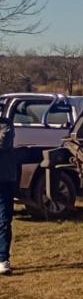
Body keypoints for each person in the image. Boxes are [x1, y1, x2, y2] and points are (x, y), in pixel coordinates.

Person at [0, 109, 15, 276]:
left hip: (4, 180)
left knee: (3, 220)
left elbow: (3, 143)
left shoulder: (6, 125)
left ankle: (3, 259)